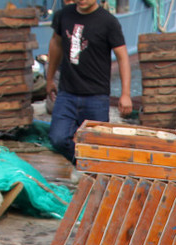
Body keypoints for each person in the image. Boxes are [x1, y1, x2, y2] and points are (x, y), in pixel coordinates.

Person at [46, 0, 133, 163]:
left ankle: (89, 171)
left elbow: (122, 58)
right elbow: (56, 44)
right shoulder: (63, 15)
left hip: (96, 97)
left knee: (97, 144)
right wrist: (50, 79)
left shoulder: (109, 22)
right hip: (67, 93)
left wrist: (126, 94)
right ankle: (82, 164)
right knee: (57, 138)